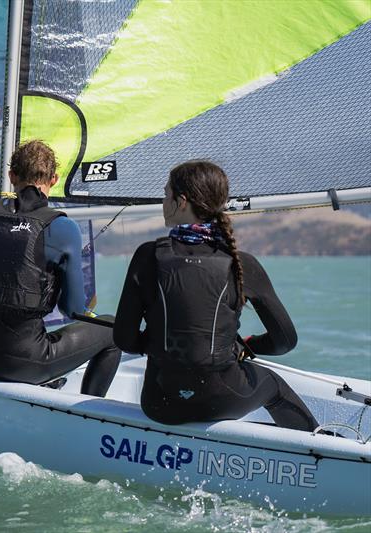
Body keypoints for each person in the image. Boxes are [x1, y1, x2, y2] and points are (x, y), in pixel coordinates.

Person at [113, 160, 319, 431]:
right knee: (274, 385)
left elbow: (124, 339)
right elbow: (285, 341)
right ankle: (320, 452)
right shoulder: (240, 263)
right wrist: (247, 346)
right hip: (221, 400)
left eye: (166, 194)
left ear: (181, 202)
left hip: (160, 403)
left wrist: (158, 344)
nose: (163, 202)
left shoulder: (147, 256)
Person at [0, 140, 121, 396]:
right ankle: (88, 413)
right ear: (54, 179)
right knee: (113, 330)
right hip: (28, 363)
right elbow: (72, 309)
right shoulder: (62, 227)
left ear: (11, 176)